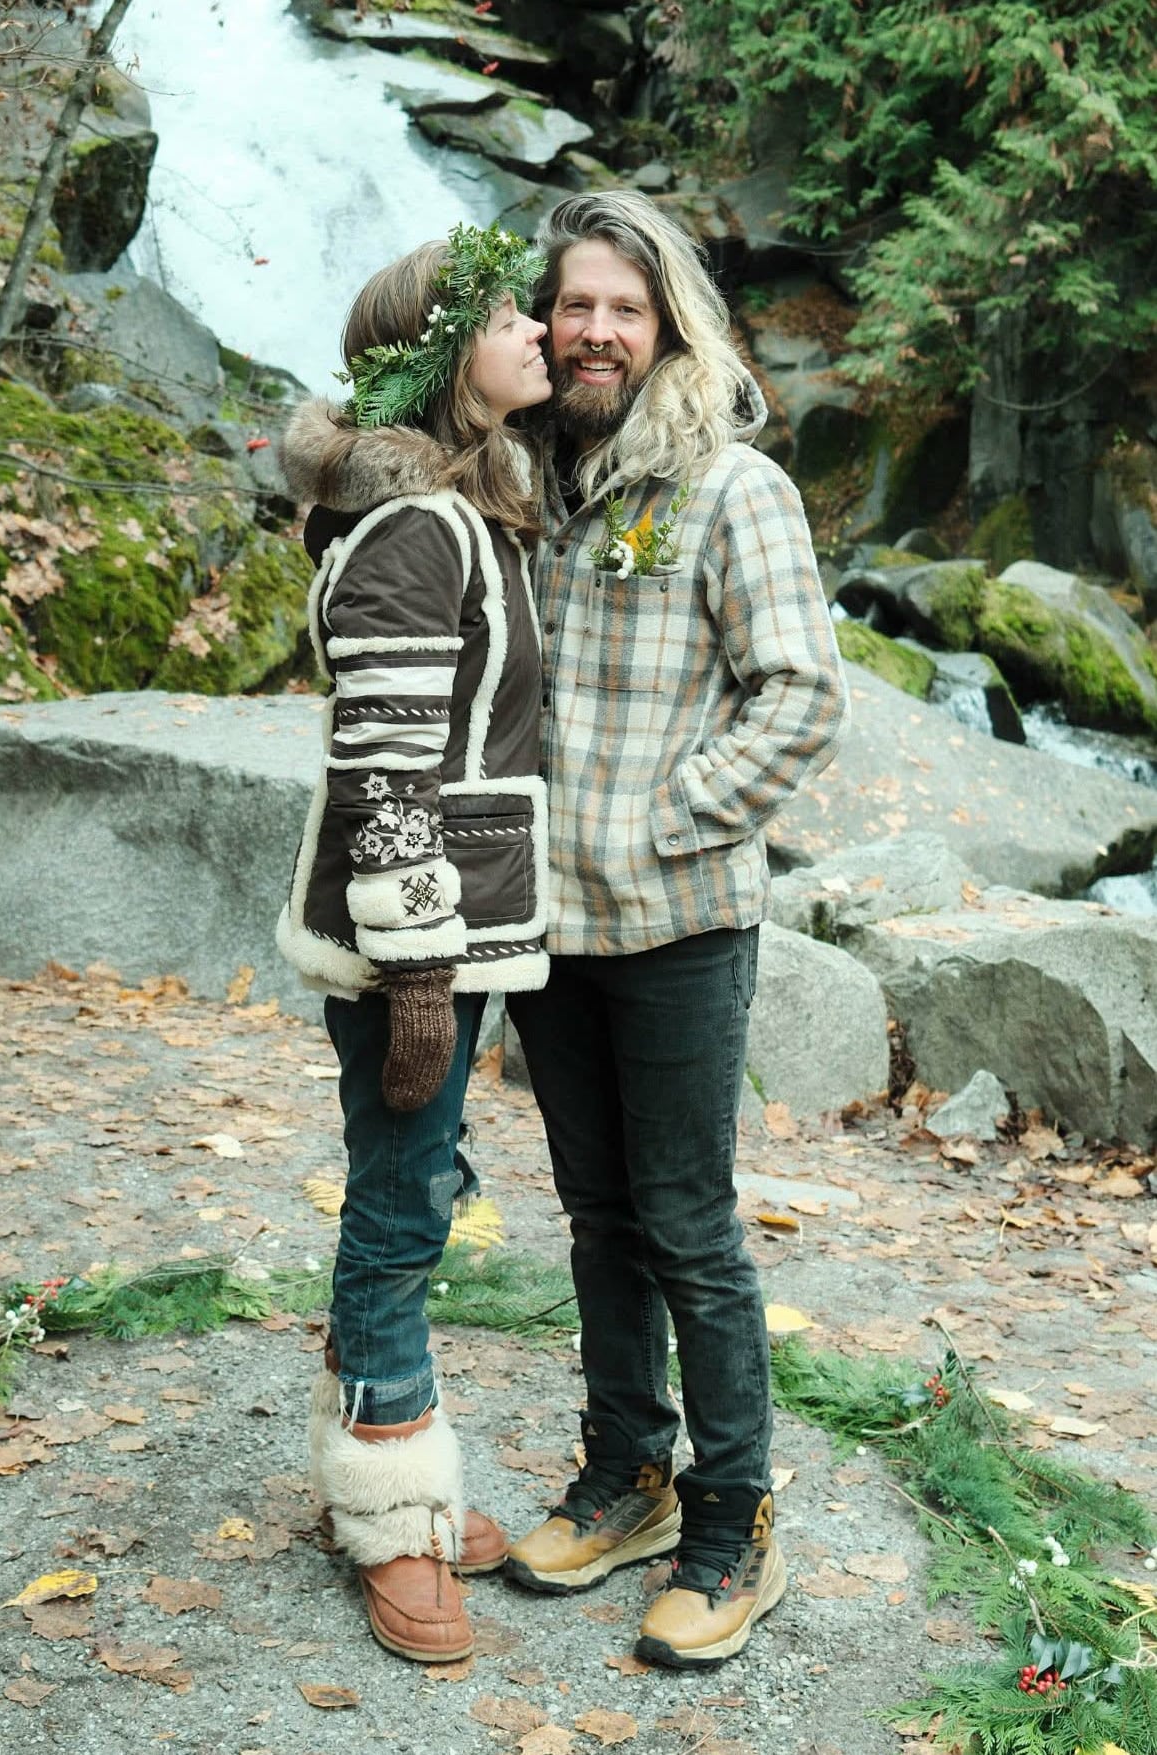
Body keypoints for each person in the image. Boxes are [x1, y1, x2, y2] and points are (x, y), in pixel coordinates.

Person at [504, 191, 849, 1669]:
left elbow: (804, 695)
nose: (595, 332)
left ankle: (729, 1526)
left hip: (680, 918)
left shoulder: (727, 488)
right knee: (596, 1220)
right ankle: (625, 1479)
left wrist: (668, 813)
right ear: (545, 322)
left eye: (622, 309)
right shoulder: (524, 479)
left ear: (666, 326)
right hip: (550, 926)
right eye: (574, 306)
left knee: (690, 1228)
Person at [276, 222, 552, 1665]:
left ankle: (368, 1450)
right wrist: (423, 978)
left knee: (417, 1190)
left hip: (466, 919)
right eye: (510, 314)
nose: (538, 333)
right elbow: (385, 767)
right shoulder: (413, 532)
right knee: (398, 1211)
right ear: (449, 354)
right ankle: (391, 1513)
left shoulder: (473, 506)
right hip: (415, 938)